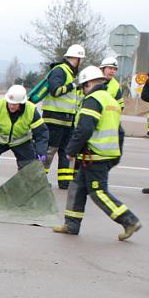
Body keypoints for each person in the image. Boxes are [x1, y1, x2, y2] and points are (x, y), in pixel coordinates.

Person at [53, 66, 142, 241]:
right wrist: (116, 155)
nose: (82, 91)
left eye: (83, 87)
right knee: (76, 188)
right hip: (104, 154)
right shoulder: (110, 100)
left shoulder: (93, 100)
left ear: (89, 83)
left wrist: (70, 151)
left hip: (96, 156)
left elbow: (84, 129)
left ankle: (129, 220)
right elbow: (120, 132)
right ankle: (71, 224)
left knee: (98, 192)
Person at [42, 44, 85, 189]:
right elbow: (55, 91)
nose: (81, 62)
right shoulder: (59, 70)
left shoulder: (70, 73)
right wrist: (73, 85)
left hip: (67, 120)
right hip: (54, 119)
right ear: (75, 59)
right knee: (49, 150)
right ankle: (39, 179)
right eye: (80, 59)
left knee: (65, 152)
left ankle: (64, 181)